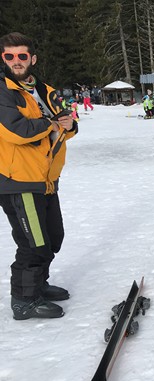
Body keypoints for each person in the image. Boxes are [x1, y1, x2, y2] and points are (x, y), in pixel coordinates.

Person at [0, 32, 78, 320]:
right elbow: (16, 130)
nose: (16, 61)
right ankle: (24, 300)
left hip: (46, 180)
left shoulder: (46, 90)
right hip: (19, 181)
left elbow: (68, 122)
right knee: (33, 244)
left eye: (22, 55)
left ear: (32, 58)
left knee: (53, 237)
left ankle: (38, 284)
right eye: (9, 56)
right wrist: (51, 124)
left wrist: (67, 124)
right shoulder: (4, 91)